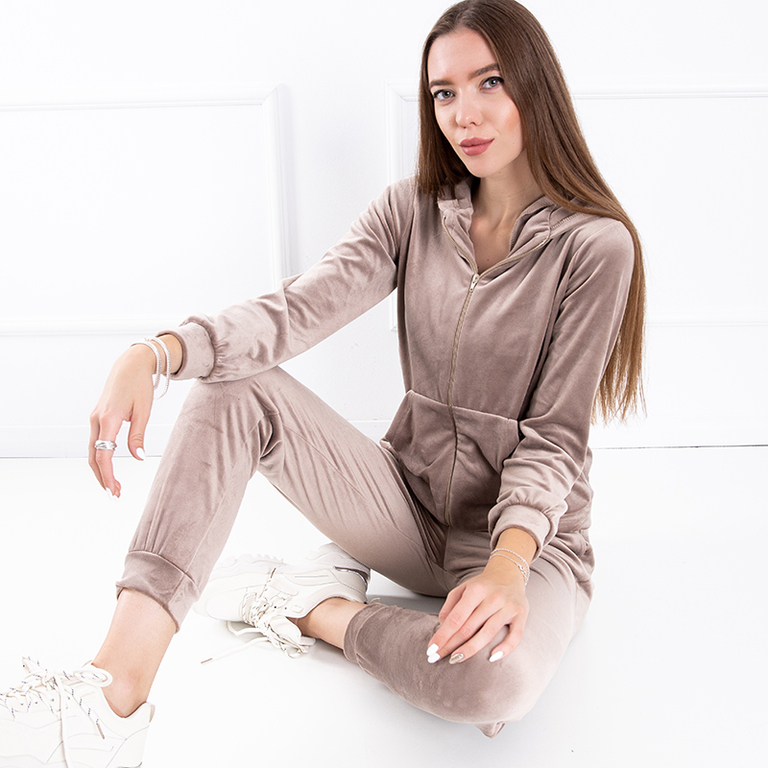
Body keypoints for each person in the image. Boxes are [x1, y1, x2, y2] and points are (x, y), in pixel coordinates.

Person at [0, 0, 645, 764]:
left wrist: (507, 569)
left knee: (490, 688)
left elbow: (554, 437)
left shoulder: (595, 247)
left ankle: (313, 607)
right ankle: (113, 699)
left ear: (536, 86)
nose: (463, 114)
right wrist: (157, 351)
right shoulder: (411, 212)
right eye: (443, 92)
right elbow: (296, 310)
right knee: (231, 387)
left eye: (490, 82)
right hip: (409, 511)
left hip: (529, 545)